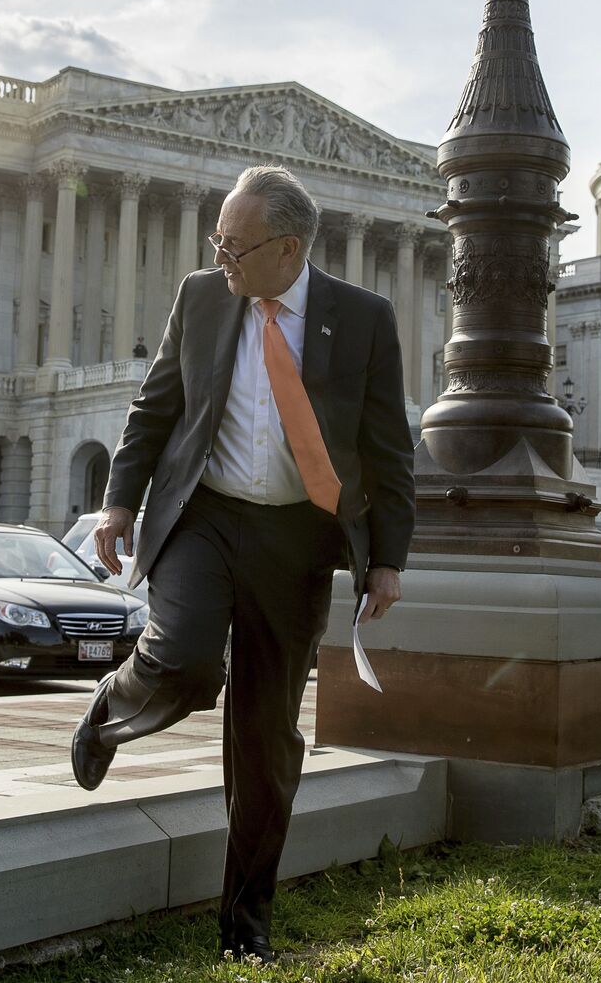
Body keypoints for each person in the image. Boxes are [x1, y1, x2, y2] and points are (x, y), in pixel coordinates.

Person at [79, 165, 415, 964]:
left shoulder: (362, 319)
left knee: (268, 739)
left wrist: (388, 560)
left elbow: (387, 447)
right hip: (207, 514)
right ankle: (110, 706)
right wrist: (119, 500)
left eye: (236, 243)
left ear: (289, 247)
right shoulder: (202, 297)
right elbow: (157, 404)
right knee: (186, 662)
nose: (221, 254)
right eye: (218, 240)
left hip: (298, 536)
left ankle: (245, 924)